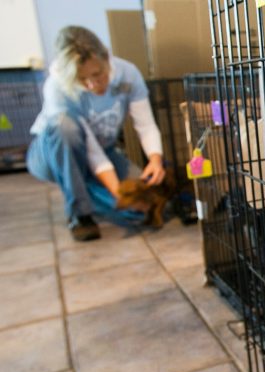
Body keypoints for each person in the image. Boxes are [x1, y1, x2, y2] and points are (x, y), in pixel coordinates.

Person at [27, 25, 165, 241]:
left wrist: (155, 160)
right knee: (66, 128)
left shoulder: (128, 74)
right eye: (82, 80)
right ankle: (80, 215)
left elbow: (145, 124)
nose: (92, 84)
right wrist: (117, 193)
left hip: (104, 149)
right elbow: (92, 152)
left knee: (141, 205)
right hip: (52, 152)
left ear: (106, 57)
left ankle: (86, 192)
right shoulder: (57, 87)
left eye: (97, 74)